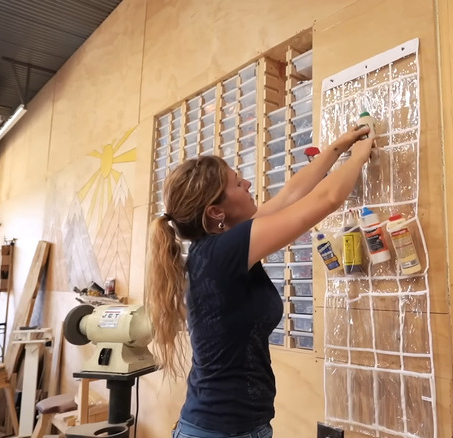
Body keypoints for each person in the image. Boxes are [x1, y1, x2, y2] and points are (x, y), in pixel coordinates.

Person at [145, 126, 374, 438]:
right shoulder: (221, 253)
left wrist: (338, 148)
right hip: (220, 431)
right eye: (238, 183)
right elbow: (328, 198)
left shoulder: (215, 249)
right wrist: (359, 156)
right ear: (216, 212)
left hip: (233, 427)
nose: (248, 183)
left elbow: (290, 195)